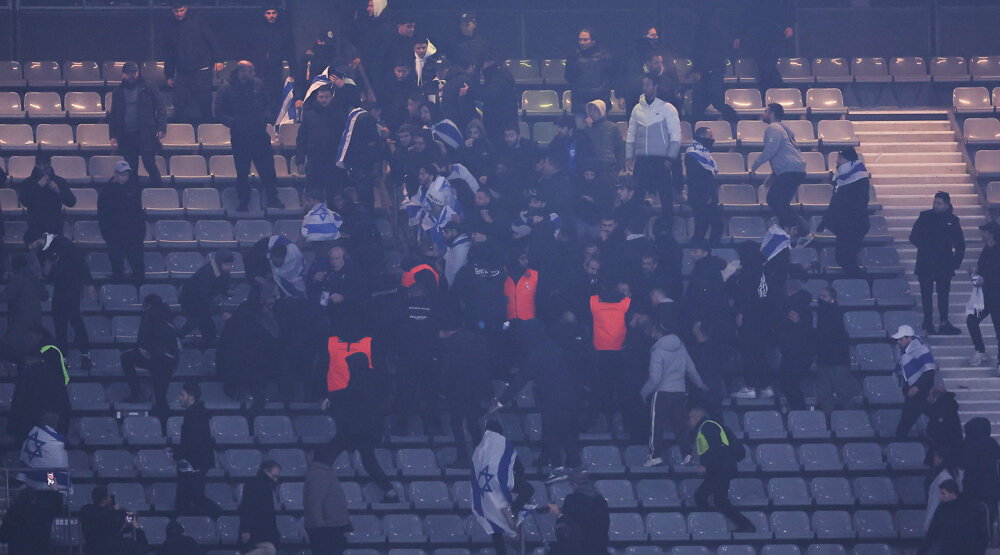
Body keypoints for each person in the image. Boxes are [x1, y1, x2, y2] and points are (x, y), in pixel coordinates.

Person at [322, 352, 399, 503]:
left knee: (328, 454)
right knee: (369, 461)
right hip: (370, 429)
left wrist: (330, 397)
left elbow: (350, 396)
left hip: (355, 428)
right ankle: (390, 492)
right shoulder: (376, 379)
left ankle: (320, 485)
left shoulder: (360, 379)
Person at [215, 60, 284, 212]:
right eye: (250, 71)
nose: (254, 74)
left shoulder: (259, 85)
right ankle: (244, 201)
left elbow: (269, 103)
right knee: (242, 171)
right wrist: (234, 123)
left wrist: (266, 117)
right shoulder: (226, 88)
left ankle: (273, 197)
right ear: (241, 72)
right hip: (240, 136)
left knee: (268, 169)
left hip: (259, 134)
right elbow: (219, 112)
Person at [640, 321, 706, 467]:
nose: (651, 335)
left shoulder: (657, 351)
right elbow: (691, 368)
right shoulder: (680, 347)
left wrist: (644, 393)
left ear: (659, 332)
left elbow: (655, 378)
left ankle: (654, 456)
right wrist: (700, 384)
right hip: (679, 392)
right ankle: (687, 454)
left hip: (662, 392)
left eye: (653, 332)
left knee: (656, 426)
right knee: (681, 426)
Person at [688, 406, 756, 533]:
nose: (688, 421)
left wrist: (705, 465)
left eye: (689, 418)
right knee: (706, 497)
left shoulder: (707, 426)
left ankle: (745, 525)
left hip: (720, 470)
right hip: (720, 470)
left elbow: (715, 447)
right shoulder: (711, 425)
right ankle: (714, 525)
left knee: (712, 499)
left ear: (696, 416)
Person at [910, 191, 965, 335]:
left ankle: (943, 322)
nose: (935, 205)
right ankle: (928, 322)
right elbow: (913, 236)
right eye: (935, 202)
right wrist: (927, 248)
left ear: (946, 205)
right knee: (926, 293)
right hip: (926, 262)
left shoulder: (953, 220)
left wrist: (955, 262)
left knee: (943, 294)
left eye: (939, 203)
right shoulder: (925, 216)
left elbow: (960, 244)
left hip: (944, 263)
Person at [39, 234, 95, 370]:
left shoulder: (62, 247)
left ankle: (79, 354)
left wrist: (89, 283)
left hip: (69, 290)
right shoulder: (56, 248)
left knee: (68, 323)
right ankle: (80, 354)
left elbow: (79, 263)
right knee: (67, 323)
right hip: (66, 290)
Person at [626, 74, 681, 208]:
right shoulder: (637, 108)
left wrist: (669, 159)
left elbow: (676, 135)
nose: (644, 88)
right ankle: (637, 228)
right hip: (642, 160)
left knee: (665, 197)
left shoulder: (667, 108)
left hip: (660, 160)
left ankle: (666, 226)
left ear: (655, 86)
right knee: (638, 196)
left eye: (648, 85)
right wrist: (629, 156)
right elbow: (631, 133)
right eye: (643, 85)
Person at [108, 62, 167, 188]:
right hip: (127, 135)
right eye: (129, 73)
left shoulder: (149, 87)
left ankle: (161, 191)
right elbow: (113, 115)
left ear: (137, 72)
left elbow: (161, 108)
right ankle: (134, 195)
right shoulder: (118, 92)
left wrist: (162, 127)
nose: (131, 75)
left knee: (149, 164)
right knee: (131, 168)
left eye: (133, 73)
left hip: (146, 133)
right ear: (123, 74)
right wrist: (112, 135)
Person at [8, 326, 70, 445]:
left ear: (40, 335)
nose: (28, 340)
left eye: (31, 337)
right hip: (36, 407)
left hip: (40, 407)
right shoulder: (34, 356)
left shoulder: (49, 352)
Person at [163, 1, 222, 125]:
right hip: (182, 73)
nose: (179, 14)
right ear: (171, 10)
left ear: (186, 8)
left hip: (202, 70)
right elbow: (168, 52)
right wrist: (168, 74)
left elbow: (212, 40)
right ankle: (183, 135)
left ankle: (208, 135)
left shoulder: (198, 21)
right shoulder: (169, 26)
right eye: (176, 11)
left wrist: (218, 59)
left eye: (181, 11)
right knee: (179, 105)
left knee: (205, 104)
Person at [121, 295, 179, 410]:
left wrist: (140, 349)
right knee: (161, 398)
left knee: (126, 358)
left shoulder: (148, 314)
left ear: (147, 305)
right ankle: (164, 425)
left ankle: (136, 393)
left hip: (154, 357)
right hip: (170, 361)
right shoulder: (168, 316)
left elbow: (142, 339)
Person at [819, 147, 870, 276]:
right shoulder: (845, 179)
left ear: (848, 159)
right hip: (847, 225)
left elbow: (855, 204)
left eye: (840, 158)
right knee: (844, 257)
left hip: (853, 224)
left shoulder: (858, 179)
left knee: (845, 258)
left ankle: (859, 281)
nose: (837, 161)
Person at [750, 104, 806, 221]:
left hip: (789, 172)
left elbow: (770, 150)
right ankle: (791, 229)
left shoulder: (773, 128)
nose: (763, 114)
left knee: (774, 200)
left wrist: (755, 166)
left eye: (765, 111)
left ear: (772, 114)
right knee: (781, 203)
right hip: (796, 170)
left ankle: (800, 229)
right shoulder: (784, 129)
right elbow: (786, 153)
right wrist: (774, 174)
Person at [172, 382, 221, 515]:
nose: (180, 398)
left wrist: (177, 455)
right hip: (194, 462)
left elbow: (191, 440)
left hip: (193, 463)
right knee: (186, 499)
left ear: (191, 397)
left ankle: (220, 515)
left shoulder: (193, 415)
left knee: (193, 498)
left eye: (182, 395)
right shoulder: (198, 413)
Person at [97, 161, 146, 283]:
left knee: (137, 267)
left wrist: (140, 232)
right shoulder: (106, 192)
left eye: (126, 175)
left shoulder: (133, 190)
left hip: (132, 234)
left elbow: (138, 212)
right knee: (117, 266)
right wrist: (107, 234)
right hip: (115, 235)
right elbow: (103, 216)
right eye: (122, 174)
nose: (125, 178)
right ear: (115, 174)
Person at [813, 287, 859, 416]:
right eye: (820, 296)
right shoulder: (824, 314)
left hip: (837, 361)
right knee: (825, 396)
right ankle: (830, 424)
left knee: (844, 394)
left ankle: (850, 423)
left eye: (824, 296)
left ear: (832, 299)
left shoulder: (834, 313)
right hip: (826, 360)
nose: (820, 299)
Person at [246, 3, 295, 113]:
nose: (271, 16)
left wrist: (293, 72)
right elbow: (250, 48)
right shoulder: (257, 29)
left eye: (274, 13)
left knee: (275, 95)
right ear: (264, 14)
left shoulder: (283, 30)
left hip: (276, 68)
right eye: (268, 13)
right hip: (259, 68)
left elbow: (290, 51)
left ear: (277, 14)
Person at [177, 250, 234, 345]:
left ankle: (179, 336)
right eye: (227, 264)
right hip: (191, 299)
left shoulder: (222, 271)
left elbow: (224, 286)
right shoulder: (206, 273)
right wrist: (220, 312)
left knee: (208, 329)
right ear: (220, 263)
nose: (228, 267)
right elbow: (203, 296)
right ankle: (177, 336)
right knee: (199, 318)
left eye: (230, 265)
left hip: (202, 300)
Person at [303, 444, 351, 555]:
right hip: (327, 528)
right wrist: (319, 528)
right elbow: (314, 502)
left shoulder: (320, 472)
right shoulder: (319, 473)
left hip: (328, 527)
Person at [892, 324, 938, 438]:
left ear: (909, 338)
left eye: (901, 339)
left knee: (905, 423)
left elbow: (930, 371)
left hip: (921, 392)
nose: (898, 342)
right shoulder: (904, 351)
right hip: (915, 393)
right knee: (906, 422)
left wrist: (916, 387)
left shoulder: (921, 350)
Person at [548, 469, 610, 555]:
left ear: (574, 484)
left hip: (579, 548)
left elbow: (569, 525)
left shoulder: (572, 499)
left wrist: (557, 512)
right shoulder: (601, 500)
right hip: (600, 548)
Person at [921, 479, 988, 555]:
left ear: (952, 494)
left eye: (943, 494)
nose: (940, 497)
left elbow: (933, 532)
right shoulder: (971, 507)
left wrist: (922, 551)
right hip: (969, 549)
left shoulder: (942, 510)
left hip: (952, 549)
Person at [19, 153, 76, 242]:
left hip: (54, 226)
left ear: (49, 165)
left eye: (45, 167)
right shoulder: (27, 183)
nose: (42, 169)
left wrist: (58, 191)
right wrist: (38, 186)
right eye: (39, 166)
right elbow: (24, 201)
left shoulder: (59, 181)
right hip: (35, 227)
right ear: (36, 165)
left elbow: (71, 202)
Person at [295, 86, 342, 192]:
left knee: (334, 196)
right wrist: (300, 161)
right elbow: (301, 139)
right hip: (314, 163)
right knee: (314, 196)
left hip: (333, 164)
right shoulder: (309, 115)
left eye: (326, 97)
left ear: (331, 97)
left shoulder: (339, 116)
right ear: (317, 97)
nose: (324, 100)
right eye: (321, 97)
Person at [0, 254, 45, 361]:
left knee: (13, 346)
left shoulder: (18, 278)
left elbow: (6, 296)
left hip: (20, 319)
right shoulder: (33, 277)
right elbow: (44, 294)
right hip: (34, 319)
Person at [565, 27, 616, 120]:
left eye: (585, 40)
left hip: (599, 102)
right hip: (580, 102)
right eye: (580, 40)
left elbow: (609, 78)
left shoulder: (605, 57)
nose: (582, 42)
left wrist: (599, 91)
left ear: (593, 41)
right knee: (581, 132)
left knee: (601, 132)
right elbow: (569, 77)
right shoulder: (573, 57)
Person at [968, 221, 1000, 366]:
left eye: (984, 231)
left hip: (997, 295)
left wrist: (983, 279)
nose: (982, 234)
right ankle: (980, 350)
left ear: (991, 233)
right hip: (985, 296)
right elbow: (979, 274)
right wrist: (973, 275)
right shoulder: (985, 250)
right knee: (971, 319)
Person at [685, 126, 723, 245]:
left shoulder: (702, 152)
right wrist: (707, 195)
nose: (713, 139)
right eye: (710, 136)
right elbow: (697, 178)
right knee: (706, 227)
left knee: (704, 227)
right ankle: (703, 252)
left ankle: (703, 252)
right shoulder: (693, 153)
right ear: (702, 137)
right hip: (701, 196)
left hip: (705, 195)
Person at [0, 486, 64, 555]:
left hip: (18, 550)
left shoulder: (13, 512)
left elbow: (4, 536)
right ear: (34, 499)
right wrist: (55, 491)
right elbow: (58, 509)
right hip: (40, 550)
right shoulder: (42, 511)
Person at [962, 417, 1000, 529]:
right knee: (990, 508)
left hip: (971, 489)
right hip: (991, 489)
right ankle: (989, 532)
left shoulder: (967, 444)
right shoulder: (992, 443)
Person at [238, 460, 281, 555]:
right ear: (266, 470)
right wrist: (246, 529)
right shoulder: (260, 486)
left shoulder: (255, 484)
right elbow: (248, 508)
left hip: (259, 531)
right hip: (260, 531)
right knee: (269, 550)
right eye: (274, 476)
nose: (275, 479)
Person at [581, 100, 624, 189]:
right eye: (590, 111)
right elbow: (584, 147)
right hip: (592, 171)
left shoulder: (613, 127)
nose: (592, 113)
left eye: (595, 110)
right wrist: (587, 128)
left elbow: (620, 149)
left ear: (601, 111)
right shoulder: (587, 128)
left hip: (609, 169)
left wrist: (617, 169)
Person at [925, 451, 963, 532]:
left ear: (941, 459)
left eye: (935, 456)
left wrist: (927, 524)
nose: (933, 459)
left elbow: (935, 502)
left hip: (942, 520)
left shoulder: (942, 478)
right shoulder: (958, 474)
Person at [926, 387, 963, 464]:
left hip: (944, 452)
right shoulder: (947, 408)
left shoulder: (942, 412)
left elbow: (942, 432)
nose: (927, 398)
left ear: (935, 397)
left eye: (929, 395)